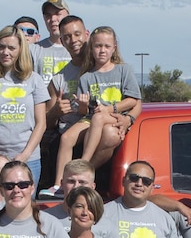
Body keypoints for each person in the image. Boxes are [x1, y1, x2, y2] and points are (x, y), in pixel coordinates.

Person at [50, 25, 141, 190]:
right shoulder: (86, 77)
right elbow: (83, 112)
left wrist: (111, 109)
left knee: (99, 118)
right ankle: (58, 184)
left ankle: (84, 163)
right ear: (91, 48)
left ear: (114, 48)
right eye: (98, 46)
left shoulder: (123, 70)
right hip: (91, 117)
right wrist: (83, 106)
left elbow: (133, 100)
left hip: (113, 116)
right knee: (66, 138)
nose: (102, 50)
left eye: (107, 46)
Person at [0, 26, 51, 183]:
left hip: (28, 159)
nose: (6, 52)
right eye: (1, 47)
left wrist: (24, 156)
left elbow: (41, 123)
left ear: (20, 50)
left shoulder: (34, 80)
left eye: (11, 48)